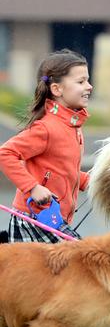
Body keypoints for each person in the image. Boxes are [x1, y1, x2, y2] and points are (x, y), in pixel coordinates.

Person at [0, 49, 93, 242]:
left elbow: (61, 170)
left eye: (88, 80)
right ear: (57, 89)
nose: (89, 86)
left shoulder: (73, 126)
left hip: (54, 220)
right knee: (83, 260)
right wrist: (33, 188)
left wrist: (91, 182)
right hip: (33, 219)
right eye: (81, 81)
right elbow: (5, 153)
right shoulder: (46, 128)